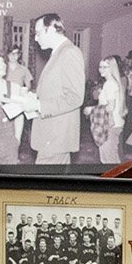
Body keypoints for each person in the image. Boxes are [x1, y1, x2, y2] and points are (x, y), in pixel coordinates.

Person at [27, 12, 85, 165]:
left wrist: (39, 105)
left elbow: (75, 97)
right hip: (51, 137)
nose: (35, 38)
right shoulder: (58, 53)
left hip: (55, 138)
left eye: (38, 33)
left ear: (51, 30)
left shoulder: (69, 53)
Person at [92, 56, 127, 165]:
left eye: (105, 67)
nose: (101, 69)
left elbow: (110, 107)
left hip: (110, 125)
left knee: (109, 160)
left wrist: (92, 110)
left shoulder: (110, 84)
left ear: (112, 68)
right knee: (110, 157)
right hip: (114, 124)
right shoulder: (112, 83)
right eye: (100, 67)